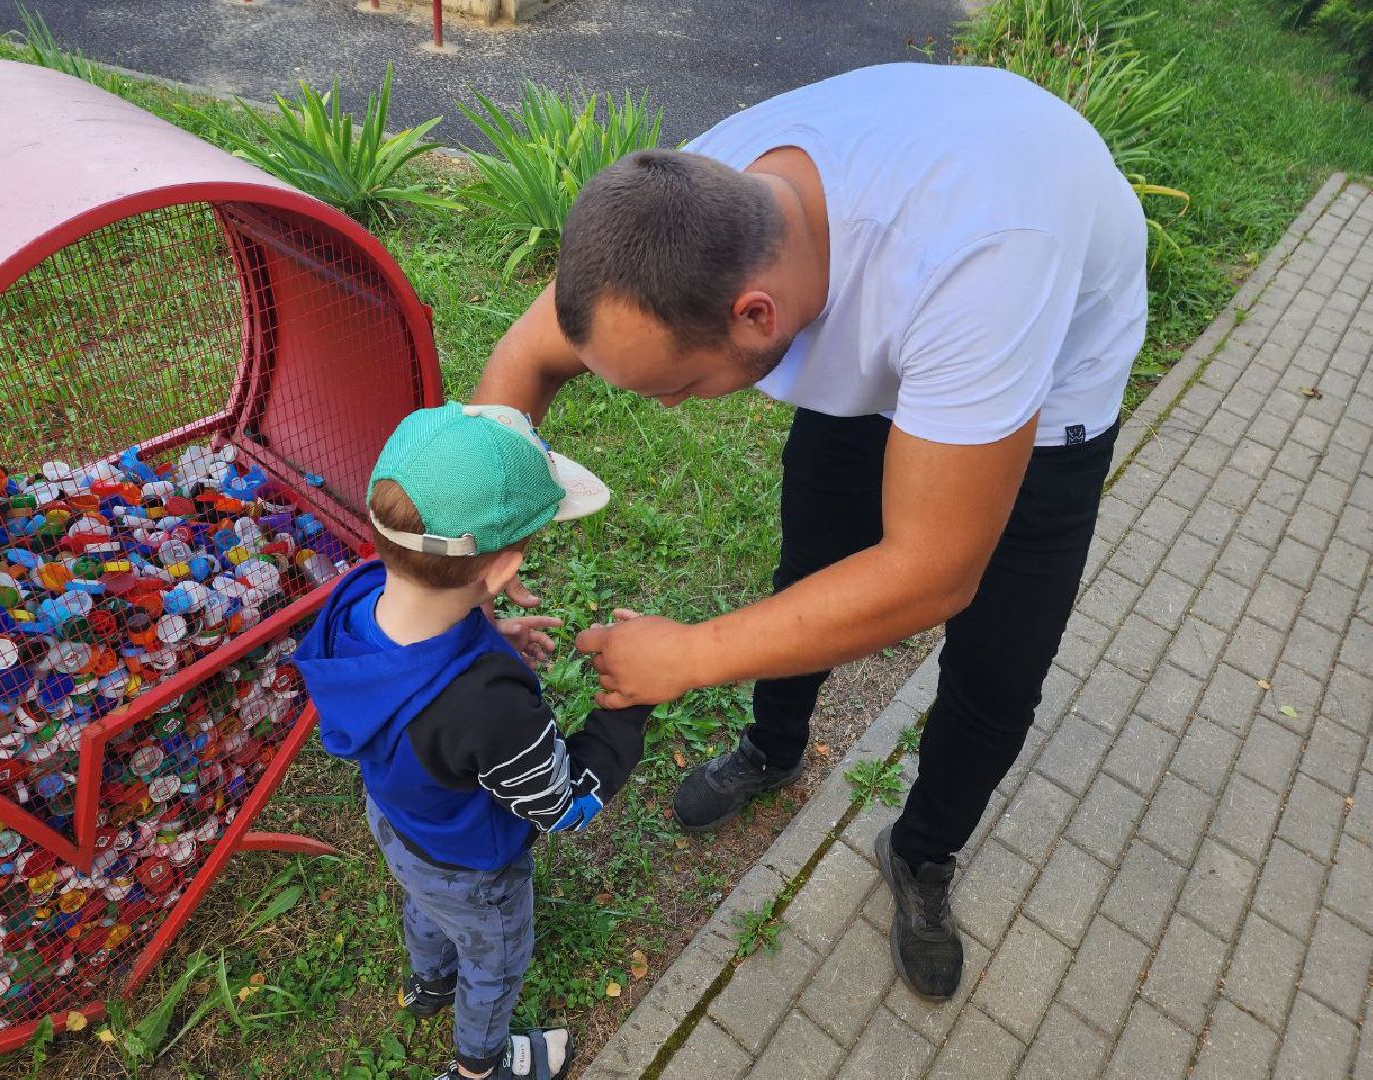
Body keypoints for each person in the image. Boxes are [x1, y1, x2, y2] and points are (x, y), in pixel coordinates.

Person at [471, 63, 1147, 1003]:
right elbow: (526, 355)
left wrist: (690, 656)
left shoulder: (983, 256)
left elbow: (929, 573)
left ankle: (923, 854)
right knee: (811, 574)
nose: (665, 408)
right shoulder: (693, 204)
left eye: (674, 386)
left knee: (998, 668)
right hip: (890, 315)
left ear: (757, 313)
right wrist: (467, 542)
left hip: (1038, 400)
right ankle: (773, 749)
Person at [294, 402, 651, 1080]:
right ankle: (478, 1068)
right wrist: (630, 706)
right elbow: (564, 804)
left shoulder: (354, 600)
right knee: (495, 965)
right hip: (473, 869)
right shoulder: (489, 709)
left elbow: (420, 656)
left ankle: (428, 982)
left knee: (425, 905)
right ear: (500, 568)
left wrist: (489, 633)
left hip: (397, 824)